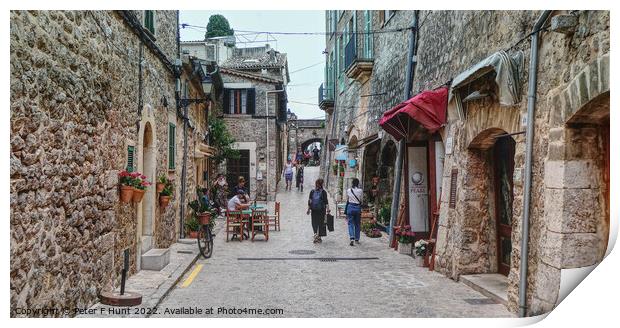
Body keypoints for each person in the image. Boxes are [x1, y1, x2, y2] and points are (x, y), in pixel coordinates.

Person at [307, 178, 330, 243]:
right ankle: (319, 236)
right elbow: (326, 202)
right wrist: (328, 210)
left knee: (314, 222)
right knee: (321, 222)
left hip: (314, 210)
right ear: (322, 184)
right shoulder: (323, 192)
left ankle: (315, 234)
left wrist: (308, 209)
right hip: (321, 210)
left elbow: (310, 201)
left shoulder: (312, 191)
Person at [346, 178, 364, 246]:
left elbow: (347, 199)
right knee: (357, 224)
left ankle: (352, 238)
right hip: (357, 207)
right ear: (358, 183)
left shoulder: (348, 190)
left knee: (350, 223)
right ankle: (357, 239)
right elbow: (361, 200)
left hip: (350, 207)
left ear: (352, 183)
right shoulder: (360, 191)